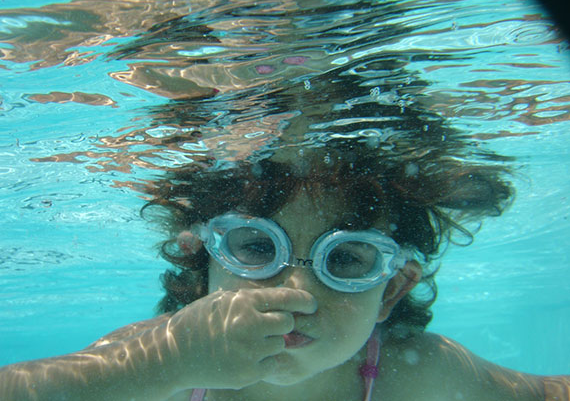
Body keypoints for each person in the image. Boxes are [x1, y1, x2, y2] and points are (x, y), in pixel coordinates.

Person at [0, 105, 568, 401]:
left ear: (392, 289)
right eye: (254, 247)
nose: (296, 291)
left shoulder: (414, 377)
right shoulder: (152, 366)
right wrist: (165, 364)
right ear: (204, 260)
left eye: (346, 260)